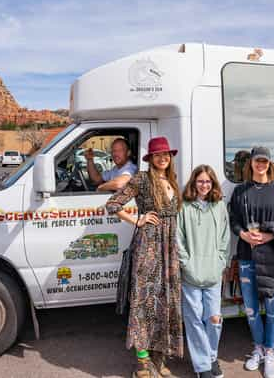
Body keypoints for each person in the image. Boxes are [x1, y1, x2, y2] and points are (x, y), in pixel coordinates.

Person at [106, 136, 183, 378]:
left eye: (166, 154)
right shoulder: (141, 178)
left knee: (164, 301)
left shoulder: (172, 180)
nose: (163, 158)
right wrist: (137, 219)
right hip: (148, 246)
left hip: (169, 248)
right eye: (158, 155)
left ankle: (158, 358)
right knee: (144, 302)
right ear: (150, 158)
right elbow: (112, 204)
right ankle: (142, 362)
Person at [229, 146, 274, 378]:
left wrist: (269, 236)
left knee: (272, 308)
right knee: (250, 309)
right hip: (247, 257)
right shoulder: (240, 191)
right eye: (257, 161)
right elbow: (234, 220)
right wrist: (244, 235)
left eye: (265, 161)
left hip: (272, 258)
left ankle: (270, 352)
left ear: (270, 164)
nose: (261, 165)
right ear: (251, 163)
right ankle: (257, 348)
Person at [177, 165, 230, 378]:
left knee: (215, 318)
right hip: (191, 274)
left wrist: (220, 261)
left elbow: (225, 237)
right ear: (193, 183)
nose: (204, 185)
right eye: (200, 181)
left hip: (213, 273)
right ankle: (202, 367)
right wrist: (186, 263)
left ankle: (210, 356)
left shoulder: (219, 206)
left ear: (213, 183)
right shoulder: (184, 207)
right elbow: (177, 238)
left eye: (208, 181)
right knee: (194, 320)